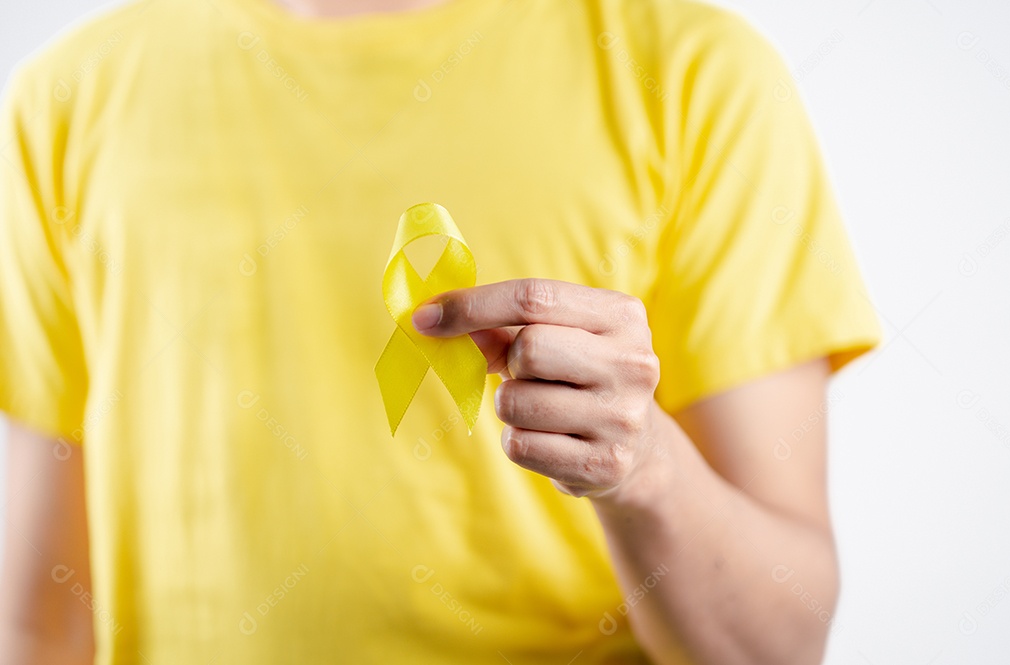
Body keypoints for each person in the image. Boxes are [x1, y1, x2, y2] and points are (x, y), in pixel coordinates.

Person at [0, 0, 881, 662]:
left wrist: (645, 467)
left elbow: (779, 639)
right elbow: (41, 621)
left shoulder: (694, 75)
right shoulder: (61, 104)